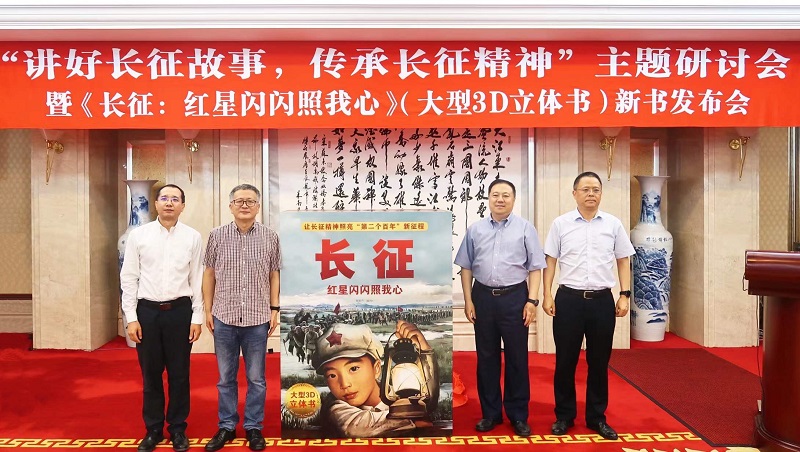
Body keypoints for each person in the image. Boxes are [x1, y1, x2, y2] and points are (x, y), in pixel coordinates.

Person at [542, 171, 635, 440]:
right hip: (568, 300)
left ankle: (596, 418)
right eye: (585, 189)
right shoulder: (560, 224)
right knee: (565, 361)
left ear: (601, 194)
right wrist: (546, 294)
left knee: (599, 362)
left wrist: (624, 294)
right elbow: (550, 261)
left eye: (595, 189)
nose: (591, 194)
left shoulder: (613, 224)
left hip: (602, 302)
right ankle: (564, 416)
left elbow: (623, 260)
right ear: (575, 194)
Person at [454, 178, 546, 437]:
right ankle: (490, 414)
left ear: (514, 199)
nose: (500, 199)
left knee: (517, 358)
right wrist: (468, 300)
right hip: (482, 297)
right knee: (487, 358)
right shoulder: (475, 230)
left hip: (515, 298)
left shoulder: (525, 228)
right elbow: (466, 267)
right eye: (495, 195)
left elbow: (536, 268)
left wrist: (532, 301)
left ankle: (518, 415)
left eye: (506, 195)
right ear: (488, 198)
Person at [120, 184, 204, 452]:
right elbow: (128, 278)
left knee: (180, 374)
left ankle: (178, 428)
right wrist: (131, 317)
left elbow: (197, 278)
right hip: (147, 313)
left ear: (183, 206)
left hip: (180, 312)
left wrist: (197, 317)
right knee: (151, 374)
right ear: (156, 204)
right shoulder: (139, 236)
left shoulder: (193, 237)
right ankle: (153, 429)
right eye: (164, 198)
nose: (169, 203)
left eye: (175, 199)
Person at [203, 184, 281, 452]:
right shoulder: (216, 235)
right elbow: (209, 273)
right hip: (224, 316)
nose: (244, 205)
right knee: (225, 378)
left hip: (257, 318)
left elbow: (274, 274)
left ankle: (253, 427)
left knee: (256, 378)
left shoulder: (270, 237)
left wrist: (274, 309)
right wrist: (208, 310)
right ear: (230, 206)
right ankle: (226, 426)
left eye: (250, 201)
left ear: (258, 206)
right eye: (239, 201)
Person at [311, 321, 438, 438]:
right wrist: (412, 419)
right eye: (332, 375)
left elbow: (428, 402)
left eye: (354, 369)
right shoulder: (335, 408)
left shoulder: (397, 392)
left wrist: (425, 351)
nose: (344, 384)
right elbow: (355, 427)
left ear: (376, 368)